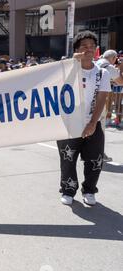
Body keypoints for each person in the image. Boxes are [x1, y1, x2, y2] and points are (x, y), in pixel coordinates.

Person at [57, 31, 111, 206]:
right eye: (84, 46)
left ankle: (89, 190)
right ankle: (68, 190)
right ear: (76, 50)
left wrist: (93, 123)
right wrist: (73, 62)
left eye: (92, 46)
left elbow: (102, 98)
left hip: (92, 123)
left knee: (95, 160)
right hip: (69, 125)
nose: (88, 49)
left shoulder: (102, 73)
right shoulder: (66, 69)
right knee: (67, 160)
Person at [95, 50, 123, 161]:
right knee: (100, 130)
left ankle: (90, 152)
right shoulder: (109, 67)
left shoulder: (97, 63)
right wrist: (120, 68)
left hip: (91, 99)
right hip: (100, 101)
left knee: (93, 127)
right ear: (113, 58)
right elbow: (121, 82)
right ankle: (100, 154)